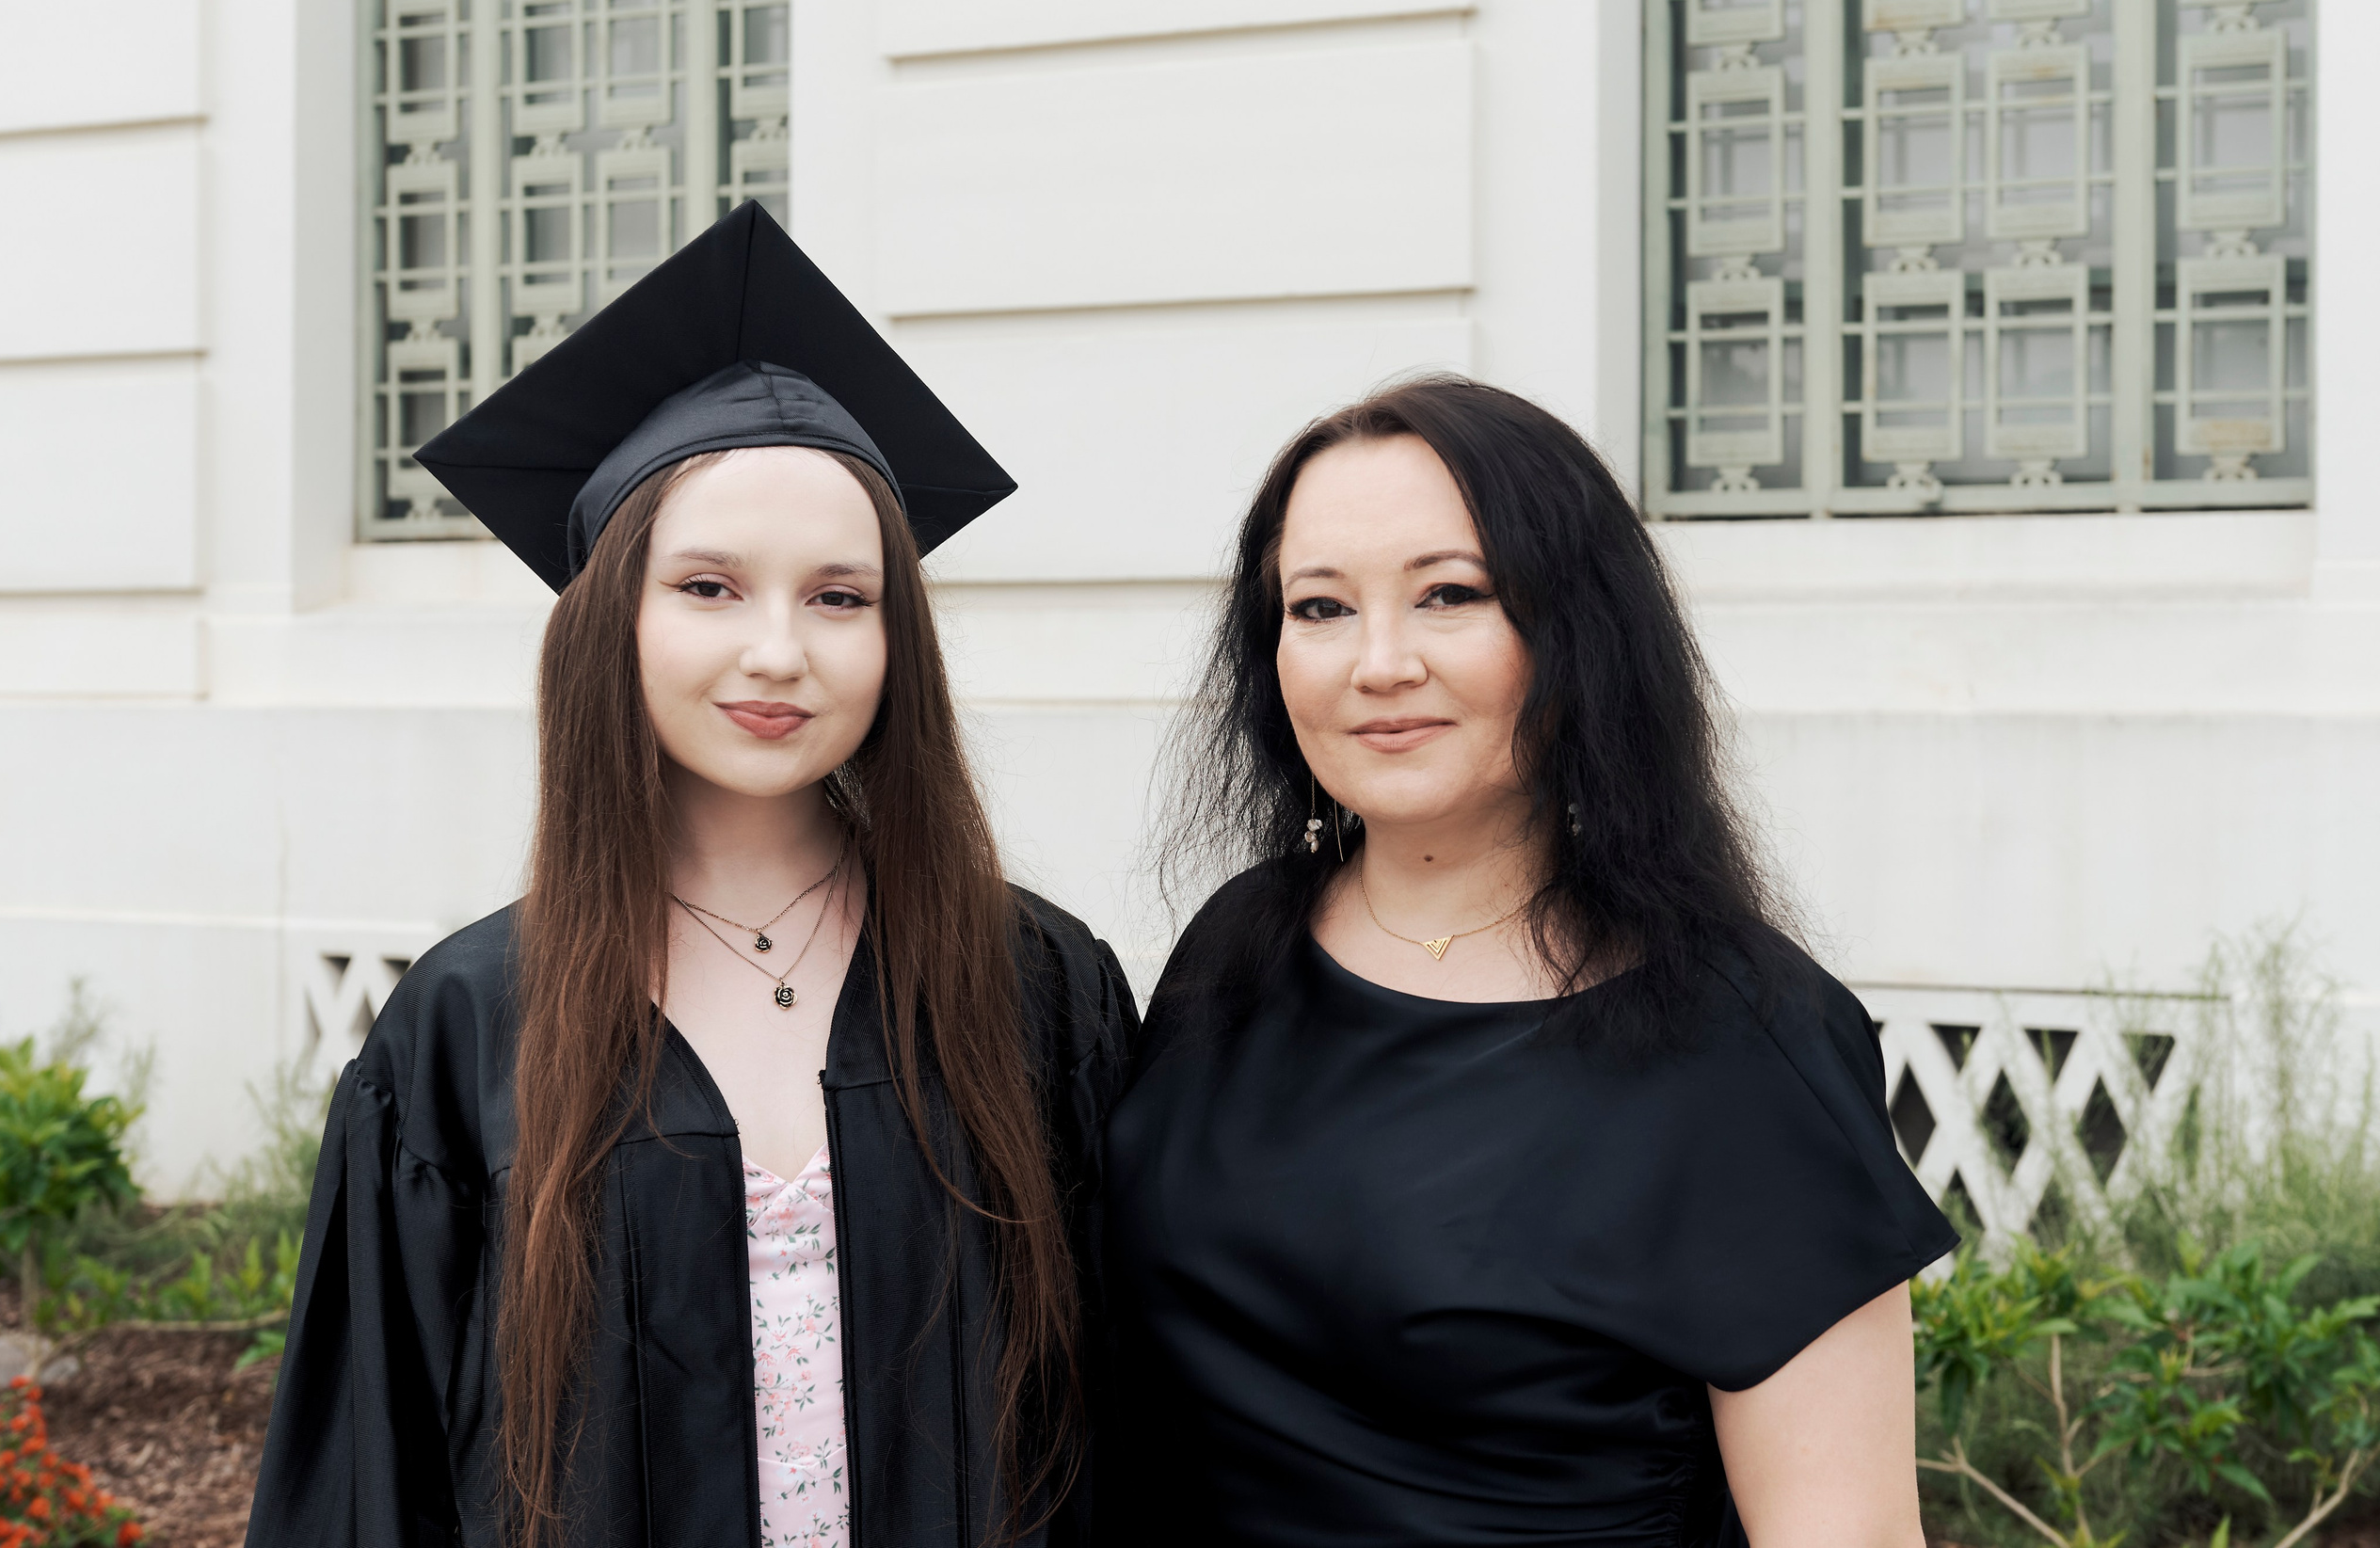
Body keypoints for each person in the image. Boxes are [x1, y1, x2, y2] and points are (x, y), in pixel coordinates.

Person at [247, 203, 1137, 1548]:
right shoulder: (471, 1019)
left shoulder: (1032, 984)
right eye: (710, 586)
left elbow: (1132, 1426)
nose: (778, 650)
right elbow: (374, 1473)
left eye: (841, 597)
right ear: (615, 617)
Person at [1104, 376, 1957, 1548]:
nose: (1380, 661)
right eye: (1320, 607)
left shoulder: (1744, 1041)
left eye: (1450, 593)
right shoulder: (1235, 946)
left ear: (1577, 630)